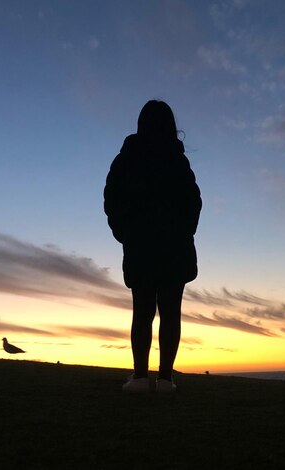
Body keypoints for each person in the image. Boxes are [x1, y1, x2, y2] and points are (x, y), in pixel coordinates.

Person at [104, 100, 202, 393]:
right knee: (169, 312)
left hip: (143, 248)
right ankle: (165, 379)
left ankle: (140, 377)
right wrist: (184, 233)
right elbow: (193, 202)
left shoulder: (126, 159)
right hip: (172, 248)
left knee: (143, 311)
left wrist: (126, 234)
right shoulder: (177, 160)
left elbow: (112, 200)